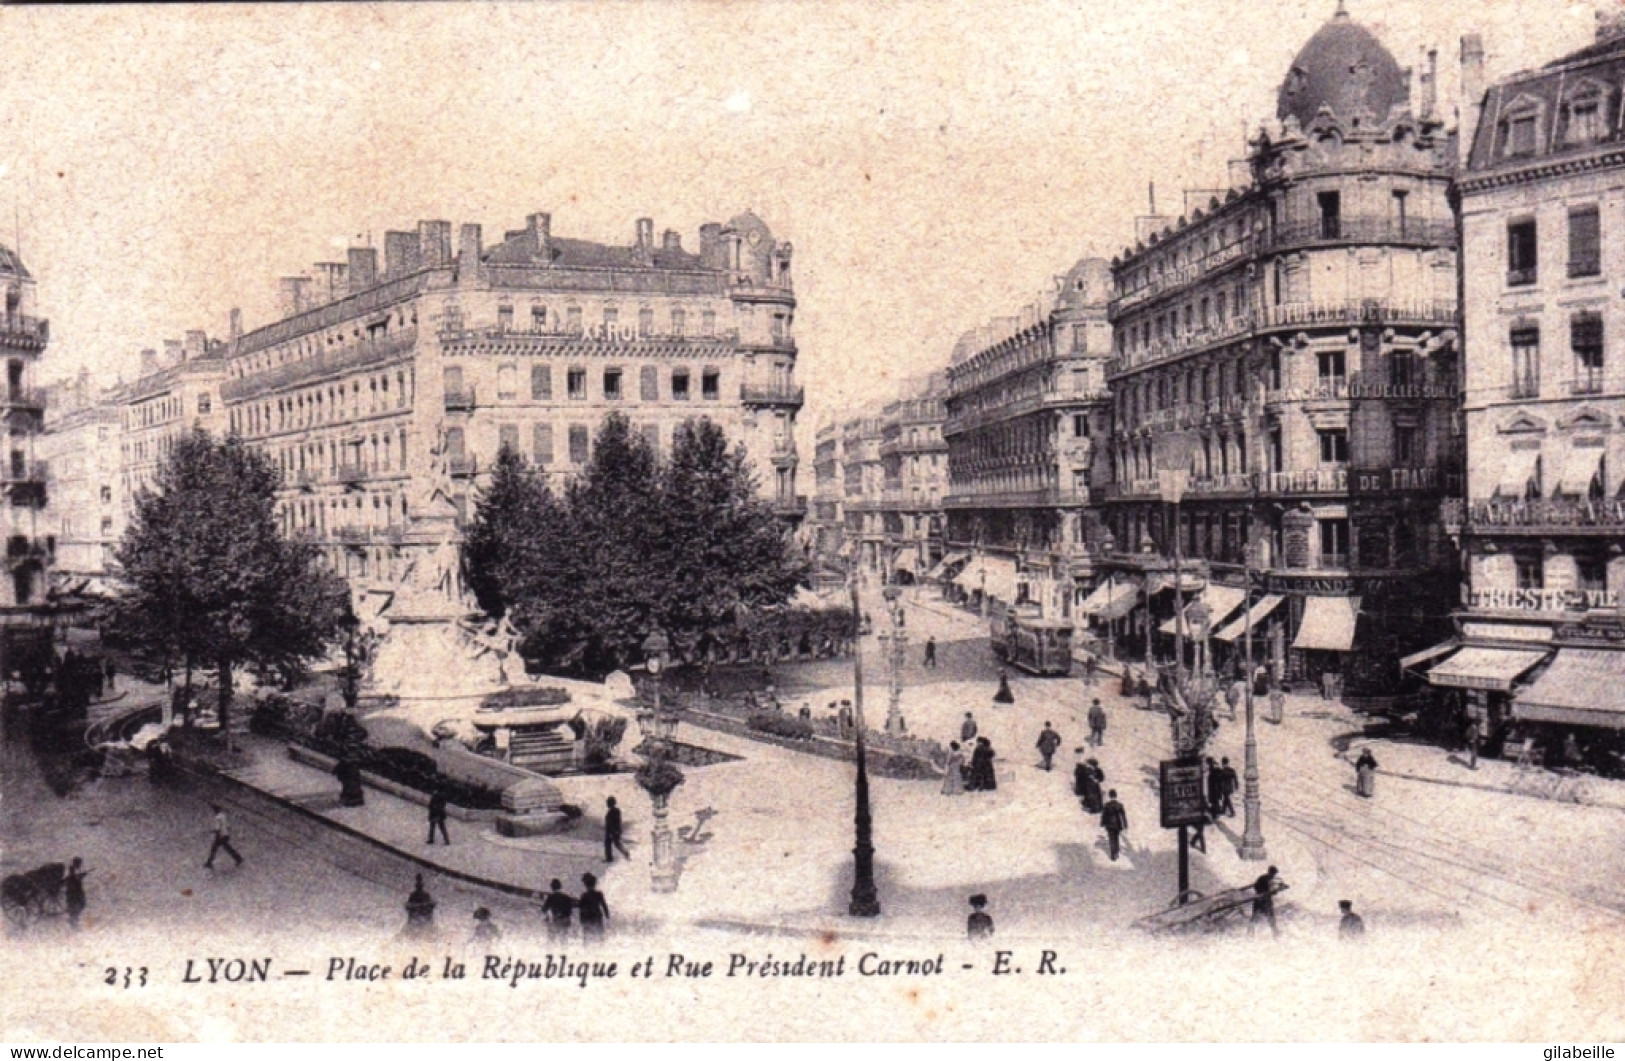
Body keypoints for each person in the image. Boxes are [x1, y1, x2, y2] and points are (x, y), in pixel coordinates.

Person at [204, 804, 244, 869]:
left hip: (220, 836)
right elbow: (227, 826)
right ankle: (238, 858)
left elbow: (218, 829)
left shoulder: (217, 818)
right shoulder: (223, 816)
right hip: (225, 834)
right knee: (228, 848)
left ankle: (209, 862)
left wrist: (215, 834)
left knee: (214, 849)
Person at [577, 873, 609, 941]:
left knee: (587, 937)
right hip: (597, 917)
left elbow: (581, 907)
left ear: (586, 885)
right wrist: (607, 915)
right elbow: (604, 905)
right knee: (599, 935)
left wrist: (581, 920)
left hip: (587, 918)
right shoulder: (599, 894)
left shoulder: (584, 895)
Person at [1251, 866, 1281, 937]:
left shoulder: (1261, 877)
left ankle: (1250, 933)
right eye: (1274, 873)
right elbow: (1274, 892)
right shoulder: (1271, 880)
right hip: (1266, 901)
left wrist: (1260, 893)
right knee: (1271, 917)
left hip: (1258, 899)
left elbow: (1255, 886)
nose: (1274, 875)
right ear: (1273, 873)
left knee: (1254, 917)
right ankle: (1275, 933)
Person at [1100, 789, 1128, 861]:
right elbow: (1123, 816)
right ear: (1116, 796)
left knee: (1111, 839)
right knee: (1116, 838)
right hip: (1118, 825)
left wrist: (1102, 823)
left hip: (1109, 825)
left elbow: (1104, 815)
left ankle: (1113, 855)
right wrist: (1125, 825)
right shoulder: (1120, 805)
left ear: (1110, 796)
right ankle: (1116, 851)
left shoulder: (1107, 805)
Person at [603, 796, 630, 862]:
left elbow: (613, 822)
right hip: (613, 830)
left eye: (608, 803)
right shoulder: (615, 811)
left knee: (613, 843)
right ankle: (624, 853)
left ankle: (610, 858)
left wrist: (613, 831)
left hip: (612, 830)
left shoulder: (613, 812)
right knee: (614, 843)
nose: (607, 804)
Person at [63, 857, 88, 930]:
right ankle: (74, 925)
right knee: (76, 907)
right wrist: (81, 876)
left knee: (78, 906)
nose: (80, 865)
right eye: (79, 863)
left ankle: (74, 923)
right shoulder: (72, 869)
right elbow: (73, 879)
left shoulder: (73, 869)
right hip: (74, 892)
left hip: (75, 891)